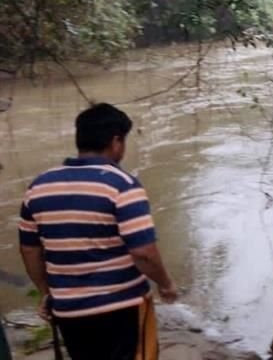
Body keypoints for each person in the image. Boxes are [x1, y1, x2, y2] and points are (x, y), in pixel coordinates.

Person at [18, 103, 177, 360]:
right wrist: (166, 284)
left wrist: (47, 292)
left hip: (69, 310)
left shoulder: (39, 186)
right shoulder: (122, 185)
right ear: (116, 141)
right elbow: (143, 252)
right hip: (122, 305)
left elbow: (29, 249)